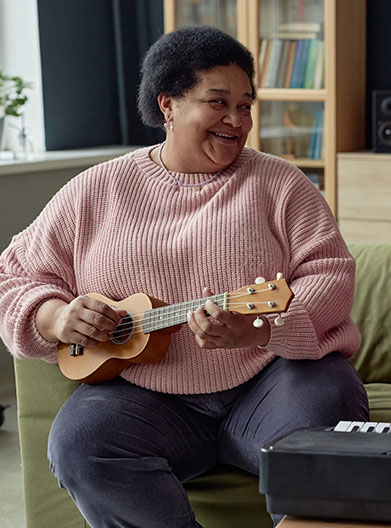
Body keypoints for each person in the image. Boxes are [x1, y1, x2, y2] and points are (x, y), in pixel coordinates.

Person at [0, 26, 368, 527]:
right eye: (218, 102)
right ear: (167, 105)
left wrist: (261, 328)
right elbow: (14, 274)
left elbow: (329, 275)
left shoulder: (281, 184)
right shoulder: (95, 190)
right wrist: (56, 316)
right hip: (145, 397)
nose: (237, 120)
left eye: (245, 105)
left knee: (329, 402)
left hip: (270, 381)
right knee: (81, 442)